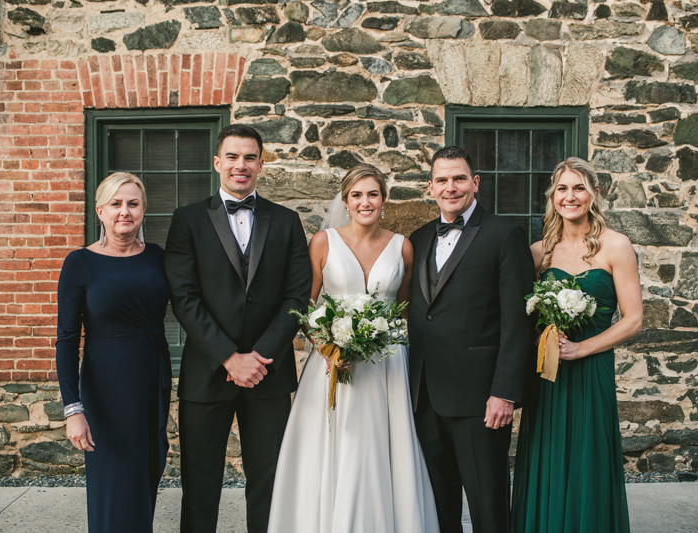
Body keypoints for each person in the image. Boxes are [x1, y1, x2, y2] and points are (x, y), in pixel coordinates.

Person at [267, 163, 439, 533]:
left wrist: (375, 336)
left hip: (386, 367)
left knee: (380, 448)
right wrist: (330, 347)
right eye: (357, 195)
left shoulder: (402, 246)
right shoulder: (323, 242)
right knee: (334, 445)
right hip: (331, 364)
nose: (365, 202)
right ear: (345, 201)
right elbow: (305, 308)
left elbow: (402, 310)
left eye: (373, 194)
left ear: (384, 199)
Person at [163, 124, 312, 533]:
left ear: (261, 164)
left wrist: (259, 358)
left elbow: (297, 297)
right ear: (217, 163)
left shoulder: (286, 221)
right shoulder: (187, 220)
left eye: (249, 157)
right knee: (201, 482)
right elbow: (184, 297)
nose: (240, 165)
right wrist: (229, 357)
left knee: (269, 483)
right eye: (232, 156)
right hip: (207, 372)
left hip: (270, 373)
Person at [408, 146, 536, 533]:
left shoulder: (504, 235)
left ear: (475, 183)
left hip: (481, 398)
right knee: (438, 504)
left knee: (488, 504)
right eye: (443, 180)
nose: (451, 187)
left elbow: (518, 322)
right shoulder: (417, 238)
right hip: (425, 394)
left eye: (459, 178)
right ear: (430, 187)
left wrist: (505, 392)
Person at [511, 157, 642, 533]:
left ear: (594, 195)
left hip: (591, 368)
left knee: (589, 457)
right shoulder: (539, 253)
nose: (571, 196)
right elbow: (522, 316)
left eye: (579, 188)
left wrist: (583, 349)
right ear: (553, 197)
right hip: (549, 373)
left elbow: (633, 319)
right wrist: (540, 337)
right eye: (563, 189)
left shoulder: (616, 246)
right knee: (546, 456)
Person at [57, 172, 171, 533]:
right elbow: (66, 340)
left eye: (133, 204)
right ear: (100, 211)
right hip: (104, 388)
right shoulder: (80, 262)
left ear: (143, 211)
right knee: (113, 483)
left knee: (146, 475)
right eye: (116, 204)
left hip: (152, 381)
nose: (125, 211)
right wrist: (73, 409)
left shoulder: (158, 258)